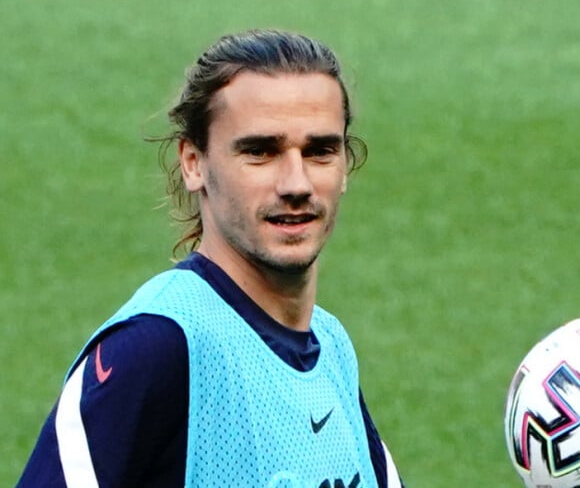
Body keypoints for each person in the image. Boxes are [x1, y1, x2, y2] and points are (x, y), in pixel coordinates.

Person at [18, 29, 404, 487]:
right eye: (260, 151)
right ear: (193, 162)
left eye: (320, 151)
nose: (297, 184)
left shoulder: (332, 349)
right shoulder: (156, 347)